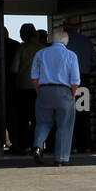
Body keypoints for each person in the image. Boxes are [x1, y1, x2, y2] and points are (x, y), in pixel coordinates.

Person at [31, 29, 81, 167]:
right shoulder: (71, 55)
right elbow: (75, 80)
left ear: (52, 41)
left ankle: (37, 146)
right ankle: (61, 158)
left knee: (42, 122)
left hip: (44, 90)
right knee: (65, 125)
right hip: (64, 91)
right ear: (66, 42)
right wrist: (72, 94)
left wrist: (39, 91)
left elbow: (34, 77)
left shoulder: (40, 53)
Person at [62, 16, 96, 153]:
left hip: (67, 82)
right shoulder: (87, 41)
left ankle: (73, 146)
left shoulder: (63, 43)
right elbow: (94, 62)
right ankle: (86, 145)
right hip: (83, 80)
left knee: (68, 114)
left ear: (65, 26)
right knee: (83, 113)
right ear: (78, 27)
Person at [8, 24, 43, 155]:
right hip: (41, 88)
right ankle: (38, 145)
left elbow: (14, 68)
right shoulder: (43, 49)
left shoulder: (21, 48)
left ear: (22, 34)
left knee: (22, 119)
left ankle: (24, 146)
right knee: (38, 119)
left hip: (23, 87)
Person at [3, 28, 20, 152]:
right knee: (15, 116)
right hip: (16, 85)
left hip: (4, 83)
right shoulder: (16, 45)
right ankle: (16, 142)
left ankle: (6, 141)